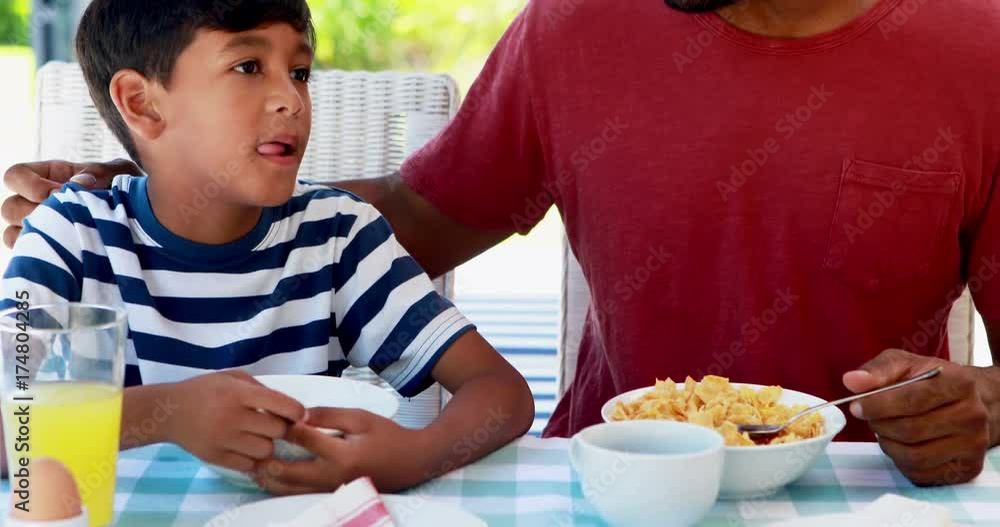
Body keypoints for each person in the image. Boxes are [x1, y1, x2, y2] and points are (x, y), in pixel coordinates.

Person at [6, 0, 1000, 487]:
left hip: (874, 493)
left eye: (297, 70)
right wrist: (143, 189)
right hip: (608, 482)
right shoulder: (573, 29)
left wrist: (986, 407)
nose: (286, 93)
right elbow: (411, 216)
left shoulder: (981, 48)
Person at [0, 0, 534, 496]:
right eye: (248, 67)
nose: (291, 99)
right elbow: (10, 433)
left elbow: (500, 391)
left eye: (299, 72)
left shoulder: (336, 236)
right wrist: (166, 414)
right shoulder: (69, 236)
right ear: (142, 103)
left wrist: (415, 455)